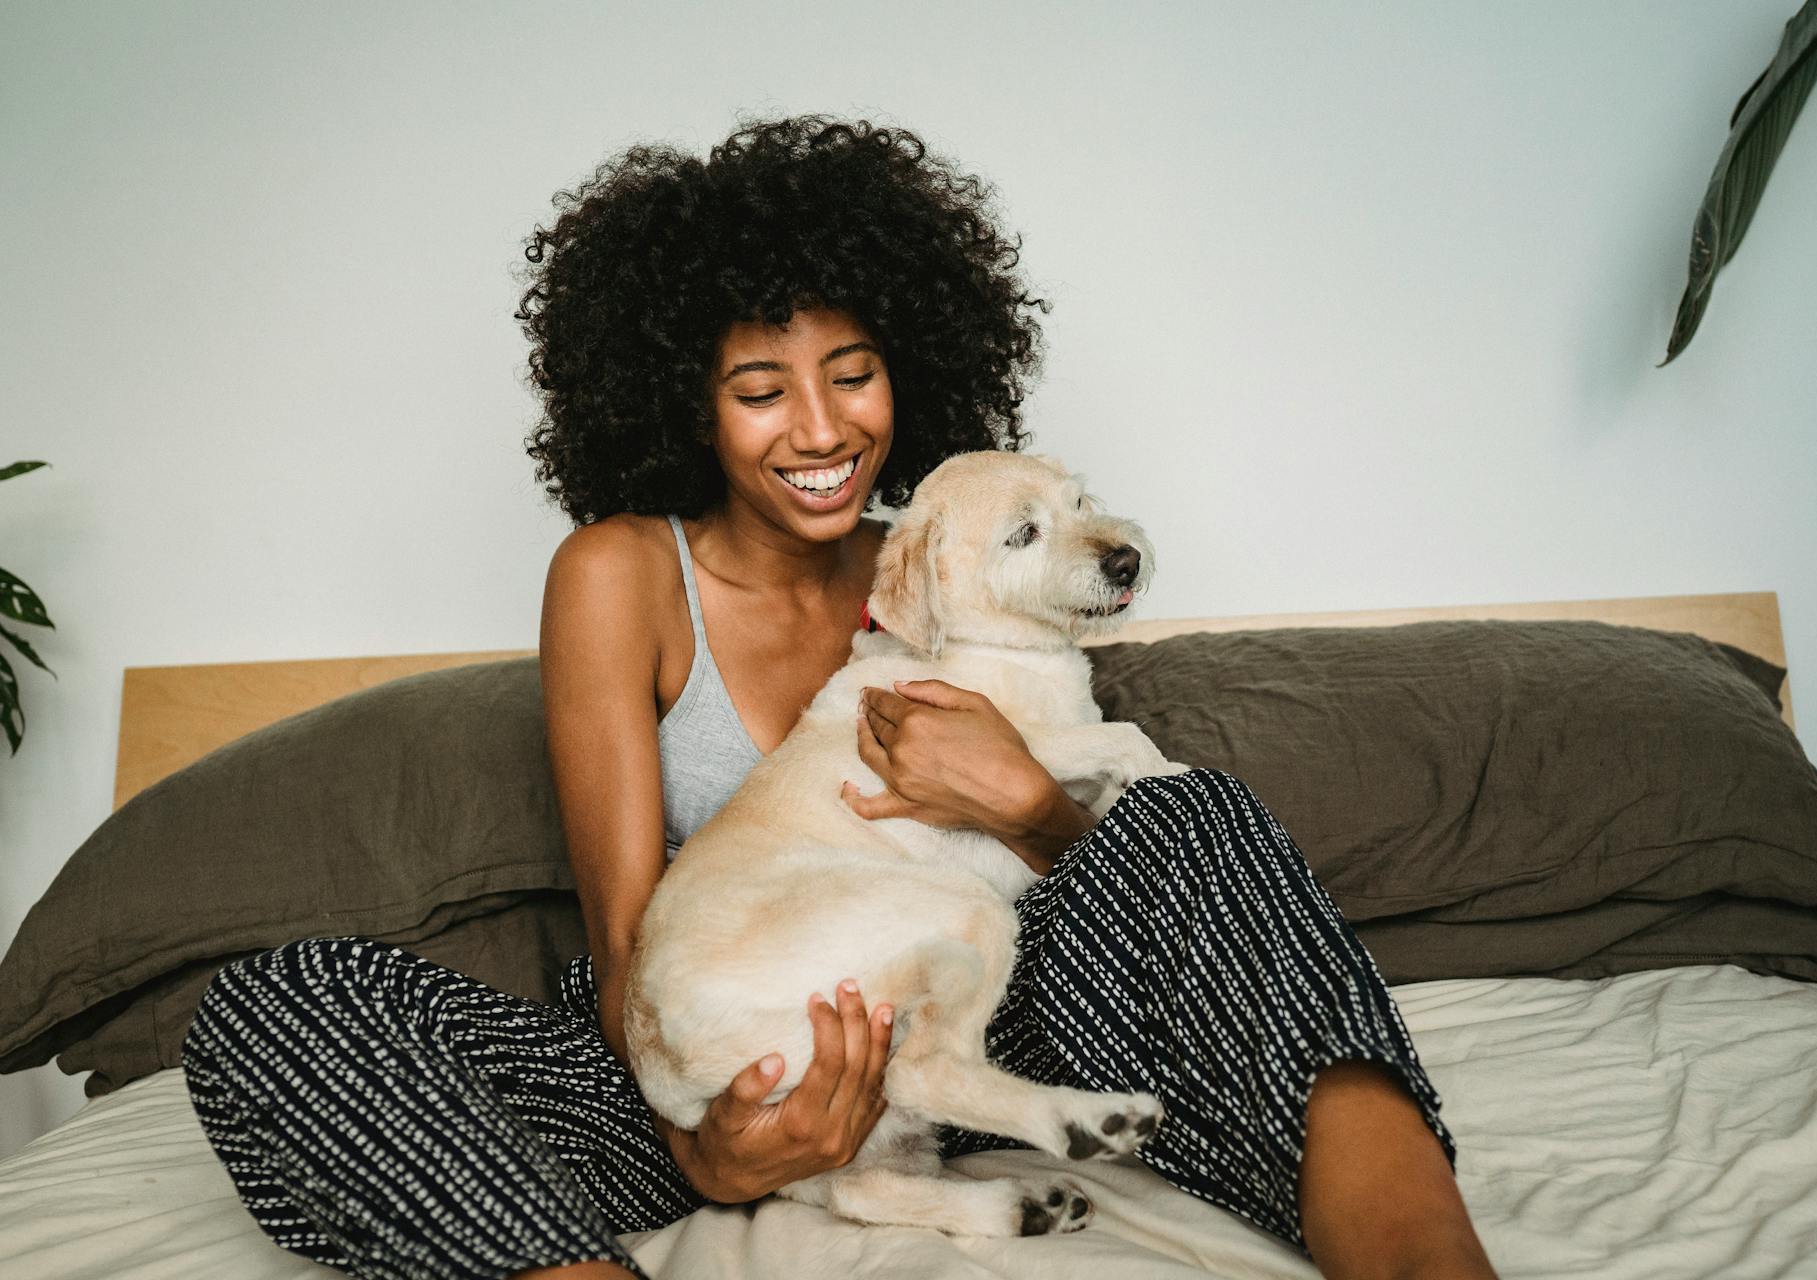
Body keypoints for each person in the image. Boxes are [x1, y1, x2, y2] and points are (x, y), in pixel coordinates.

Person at [181, 116, 1497, 1280]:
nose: (819, 430)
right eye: (759, 391)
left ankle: (1427, 1261)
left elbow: (1128, 885)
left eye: (852, 373)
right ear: (685, 405)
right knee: (276, 1006)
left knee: (1198, 819)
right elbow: (635, 932)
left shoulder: (958, 561)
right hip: (730, 1070)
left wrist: (1032, 807)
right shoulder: (621, 574)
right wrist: (712, 1151)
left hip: (989, 1023)